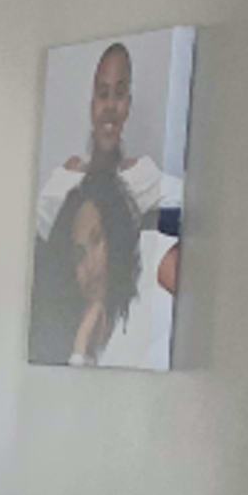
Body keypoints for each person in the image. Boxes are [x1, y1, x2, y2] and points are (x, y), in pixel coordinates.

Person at [34, 38, 183, 300]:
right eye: (103, 94)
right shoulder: (64, 180)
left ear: (128, 105)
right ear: (92, 105)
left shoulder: (142, 177)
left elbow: (199, 206)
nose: (111, 106)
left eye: (119, 94)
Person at [31, 162, 145, 367]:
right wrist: (81, 343)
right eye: (79, 254)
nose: (90, 265)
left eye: (97, 240)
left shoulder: (144, 307)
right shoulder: (65, 327)